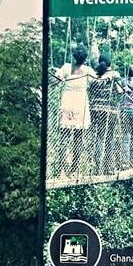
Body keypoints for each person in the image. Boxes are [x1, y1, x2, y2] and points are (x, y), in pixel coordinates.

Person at [55, 45, 95, 174]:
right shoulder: (88, 70)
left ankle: (60, 168)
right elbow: (97, 81)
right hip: (80, 106)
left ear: (74, 56)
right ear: (85, 58)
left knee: (63, 138)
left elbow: (56, 79)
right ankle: (74, 170)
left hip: (67, 104)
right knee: (78, 139)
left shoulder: (66, 68)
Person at [88, 53, 122, 174]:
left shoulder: (94, 76)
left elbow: (89, 91)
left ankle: (96, 168)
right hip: (110, 110)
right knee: (109, 138)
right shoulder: (114, 74)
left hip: (95, 109)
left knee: (98, 137)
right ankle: (108, 167)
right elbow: (120, 90)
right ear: (110, 63)